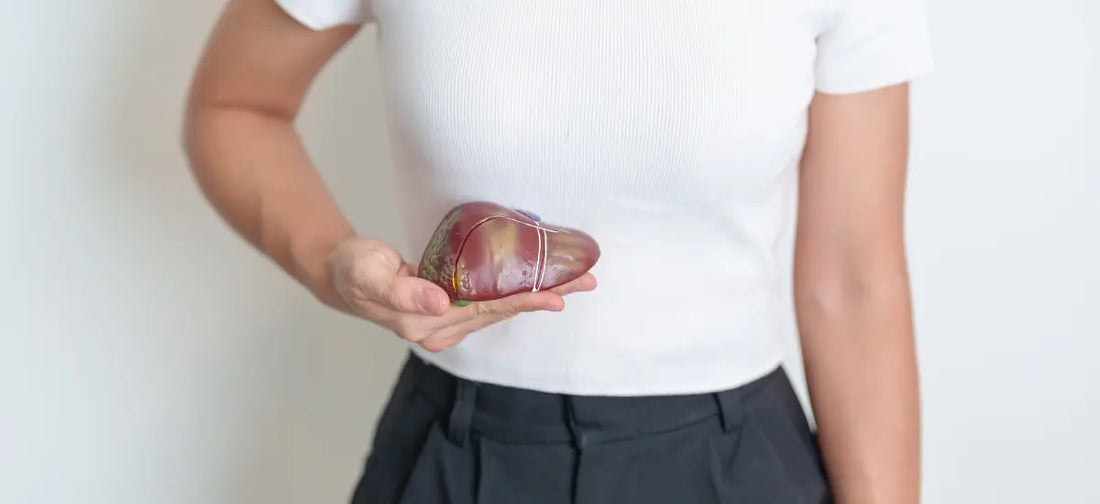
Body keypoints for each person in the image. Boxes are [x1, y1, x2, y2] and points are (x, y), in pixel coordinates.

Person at [183, 0, 934, 502]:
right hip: (460, 450)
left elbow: (855, 278)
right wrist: (330, 263)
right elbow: (236, 107)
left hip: (732, 462)